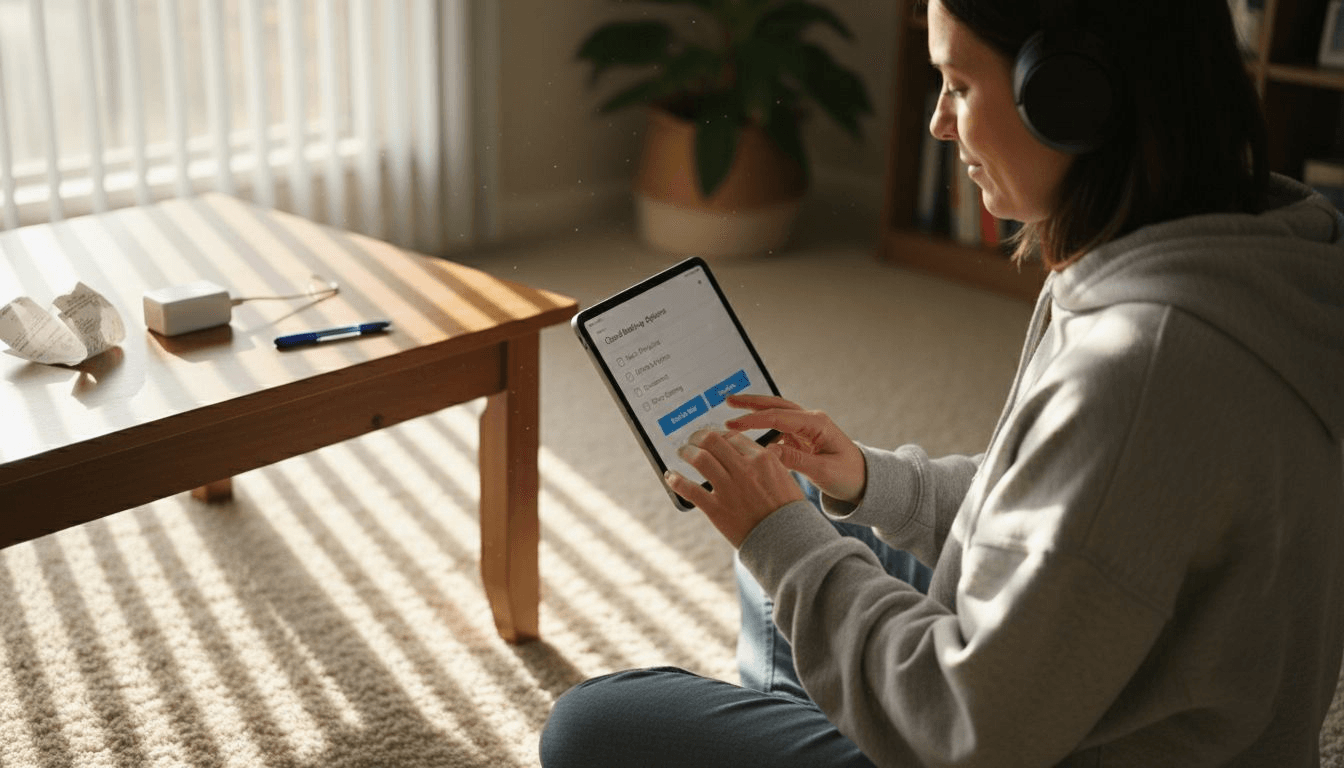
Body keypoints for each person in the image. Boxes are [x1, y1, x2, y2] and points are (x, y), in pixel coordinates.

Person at [540, 0, 1344, 764]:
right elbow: (1067, 522)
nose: (937, 120)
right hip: (1098, 691)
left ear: (1070, 98)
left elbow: (969, 729)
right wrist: (869, 481)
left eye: (958, 85)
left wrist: (783, 541)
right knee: (802, 537)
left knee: (590, 725)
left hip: (1000, 738)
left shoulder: (1145, 364)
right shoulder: (1245, 248)